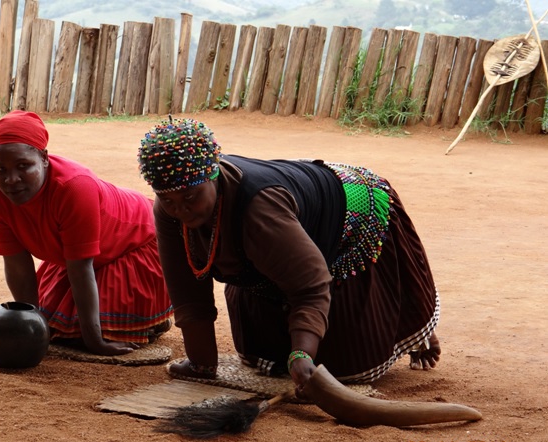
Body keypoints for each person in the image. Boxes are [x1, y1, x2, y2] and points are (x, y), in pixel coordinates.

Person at [137, 117, 441, 394]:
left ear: (213, 177)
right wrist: (202, 364)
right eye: (169, 200)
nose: (181, 210)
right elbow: (185, 287)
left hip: (354, 208)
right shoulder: (169, 207)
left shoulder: (260, 209)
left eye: (190, 197)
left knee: (344, 365)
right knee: (260, 354)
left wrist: (302, 354)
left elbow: (310, 285)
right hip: (281, 234)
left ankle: (416, 335)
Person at [0, 110, 173, 356]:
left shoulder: (74, 187)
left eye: (23, 166)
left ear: (45, 158)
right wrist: (31, 325)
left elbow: (81, 268)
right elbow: (16, 263)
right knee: (55, 326)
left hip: (136, 244)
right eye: (0, 169)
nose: (11, 180)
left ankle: (152, 319)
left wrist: (96, 342)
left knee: (82, 334)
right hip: (73, 257)